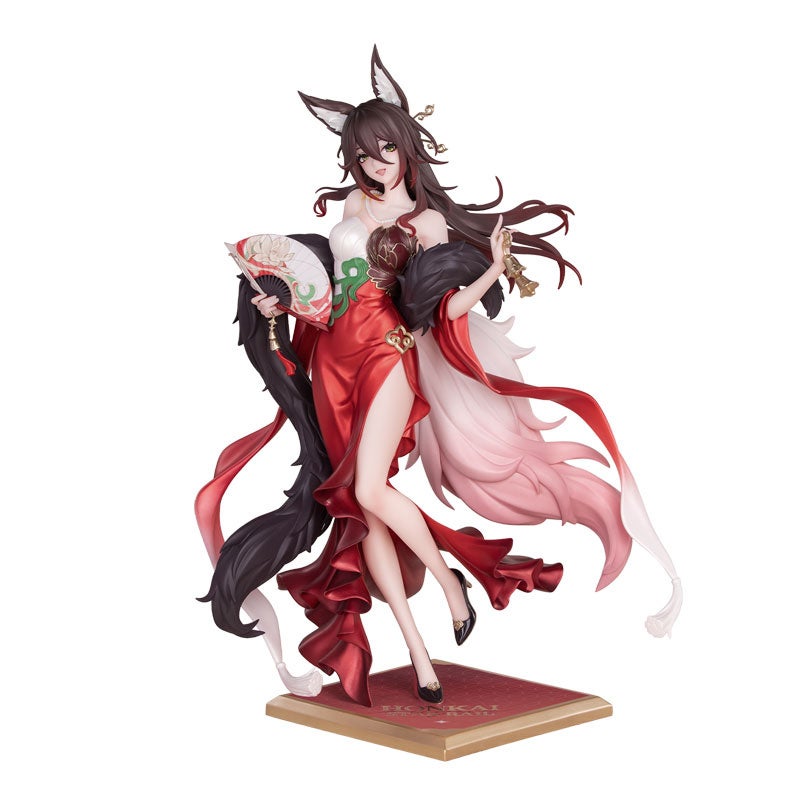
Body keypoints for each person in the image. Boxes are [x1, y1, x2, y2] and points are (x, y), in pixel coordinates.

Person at [196, 47, 681, 707]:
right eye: (361, 154)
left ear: (406, 146)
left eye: (384, 149)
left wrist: (492, 270)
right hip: (333, 357)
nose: (374, 164)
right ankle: (419, 657)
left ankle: (451, 584)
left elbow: (441, 307)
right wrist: (279, 307)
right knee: (357, 509)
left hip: (389, 351)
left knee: (370, 487)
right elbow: (327, 293)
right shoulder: (350, 206)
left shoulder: (427, 223)